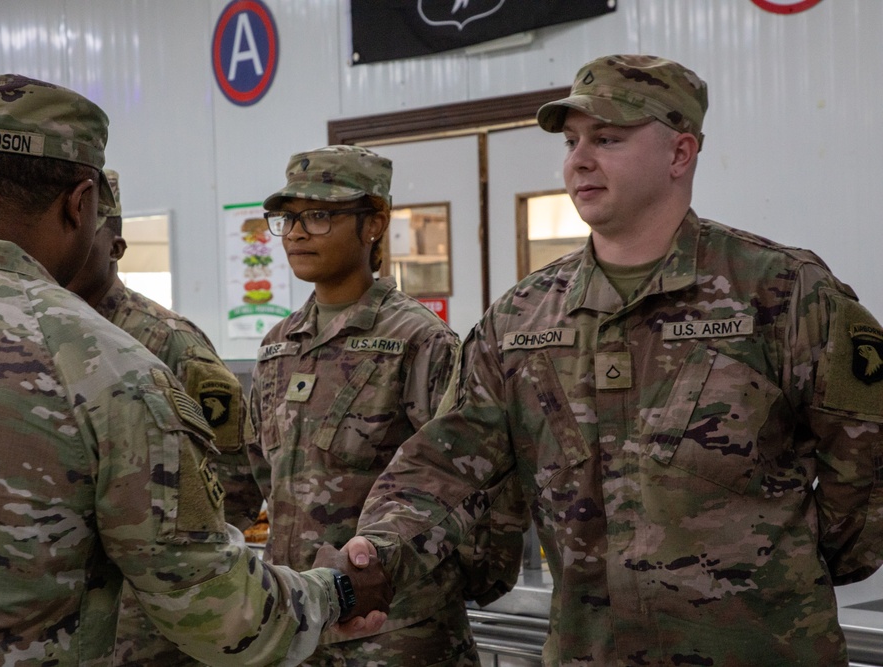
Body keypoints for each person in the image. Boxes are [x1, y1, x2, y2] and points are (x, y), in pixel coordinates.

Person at [338, 55, 883, 665]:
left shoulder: (783, 293)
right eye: (572, 141)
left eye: (608, 138)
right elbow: (444, 466)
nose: (579, 160)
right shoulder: (520, 320)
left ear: (679, 154)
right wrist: (378, 548)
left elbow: (866, 462)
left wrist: (790, 571)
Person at [0, 73, 390, 666]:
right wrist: (340, 592)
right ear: (80, 203)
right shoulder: (104, 368)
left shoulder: (155, 347)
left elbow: (234, 481)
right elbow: (221, 612)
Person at [249, 145, 524, 666]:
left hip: (397, 634)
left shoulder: (420, 341)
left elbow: (474, 482)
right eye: (287, 218)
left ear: (374, 223)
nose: (298, 232)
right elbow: (263, 473)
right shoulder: (279, 346)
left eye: (321, 215)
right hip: (298, 621)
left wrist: (452, 584)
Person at [65, 169, 264, 666]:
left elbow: (235, 485)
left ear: (116, 247)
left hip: (144, 626)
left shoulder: (169, 344)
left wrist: (159, 567)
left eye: (84, 236)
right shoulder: (38, 332)